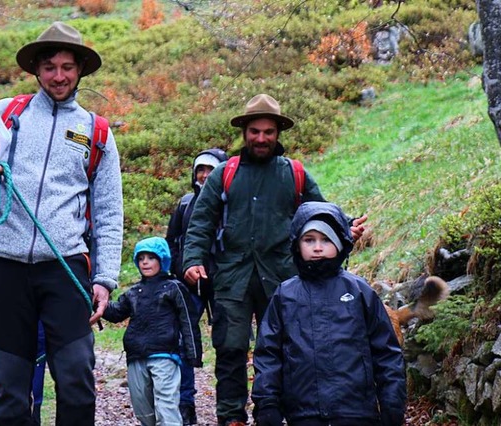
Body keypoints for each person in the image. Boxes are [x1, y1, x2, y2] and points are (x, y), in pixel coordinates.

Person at [0, 21, 123, 425]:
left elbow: (110, 212)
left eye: (67, 67)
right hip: (1, 267)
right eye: (50, 67)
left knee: (77, 377)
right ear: (37, 70)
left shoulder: (96, 132)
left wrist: (105, 279)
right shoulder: (4, 114)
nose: (58, 76)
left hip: (65, 267)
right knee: (8, 388)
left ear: (80, 71)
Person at [182, 93, 367, 426]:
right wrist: (192, 260)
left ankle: (280, 413)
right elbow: (201, 221)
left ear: (278, 133)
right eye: (255, 131)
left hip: (282, 279)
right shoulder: (225, 173)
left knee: (286, 349)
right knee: (230, 349)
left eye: (268, 131)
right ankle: (231, 417)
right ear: (245, 133)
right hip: (230, 280)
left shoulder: (294, 173)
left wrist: (347, 226)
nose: (261, 138)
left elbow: (320, 213)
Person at [251, 201, 406, 426]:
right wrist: (267, 404)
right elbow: (268, 354)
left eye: (326, 239)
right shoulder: (285, 295)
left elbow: (386, 352)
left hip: (356, 413)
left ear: (340, 242)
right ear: (297, 244)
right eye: (309, 240)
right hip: (303, 414)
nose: (317, 247)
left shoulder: (359, 291)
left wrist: (392, 403)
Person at [103, 236, 203, 426]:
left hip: (165, 356)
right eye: (141, 258)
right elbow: (116, 313)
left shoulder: (174, 288)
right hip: (136, 357)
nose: (145, 262)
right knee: (144, 412)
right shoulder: (134, 292)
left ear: (162, 259)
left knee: (166, 406)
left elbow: (188, 322)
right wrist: (94, 300)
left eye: (151, 257)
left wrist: (193, 354)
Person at [165, 148, 228, 425]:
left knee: (228, 342)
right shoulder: (185, 204)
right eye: (200, 170)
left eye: (210, 170)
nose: (204, 175)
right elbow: (172, 240)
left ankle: (229, 407)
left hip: (225, 281)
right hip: (190, 282)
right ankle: (185, 404)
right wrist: (179, 271)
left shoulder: (231, 203)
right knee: (184, 342)